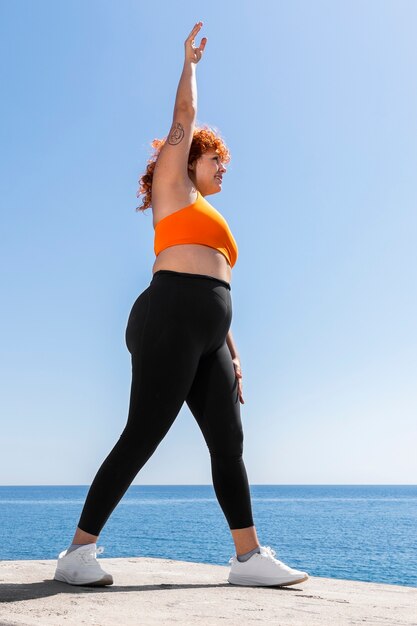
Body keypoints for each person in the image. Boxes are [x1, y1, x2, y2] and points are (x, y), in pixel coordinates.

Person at [54, 21, 309, 588]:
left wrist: (233, 351)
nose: (223, 169)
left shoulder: (215, 220)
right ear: (189, 160)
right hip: (167, 314)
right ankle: (77, 553)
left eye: (225, 164)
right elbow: (184, 121)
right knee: (144, 432)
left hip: (210, 332)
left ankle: (247, 559)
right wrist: (190, 64)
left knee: (229, 440)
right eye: (216, 160)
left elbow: (220, 287)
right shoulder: (174, 186)